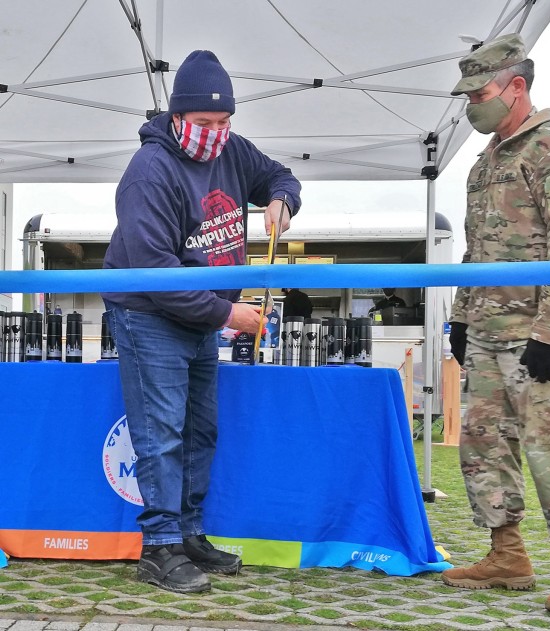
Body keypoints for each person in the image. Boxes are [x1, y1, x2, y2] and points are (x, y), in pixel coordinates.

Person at [101, 50, 301, 593]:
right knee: (160, 432)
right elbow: (154, 269)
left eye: (225, 122)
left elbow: (279, 174)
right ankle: (159, 548)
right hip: (150, 317)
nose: (216, 133)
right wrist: (227, 312)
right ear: (176, 116)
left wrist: (283, 200)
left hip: (200, 320)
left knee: (198, 431)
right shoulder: (150, 172)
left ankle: (188, 533)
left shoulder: (233, 152)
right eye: (205, 123)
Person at [442, 34, 550, 616]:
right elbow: (476, 251)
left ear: (517, 87)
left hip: (542, 334)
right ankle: (506, 554)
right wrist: (460, 319)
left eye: (480, 93)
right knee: (484, 449)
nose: (471, 106)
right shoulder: (486, 161)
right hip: (488, 330)